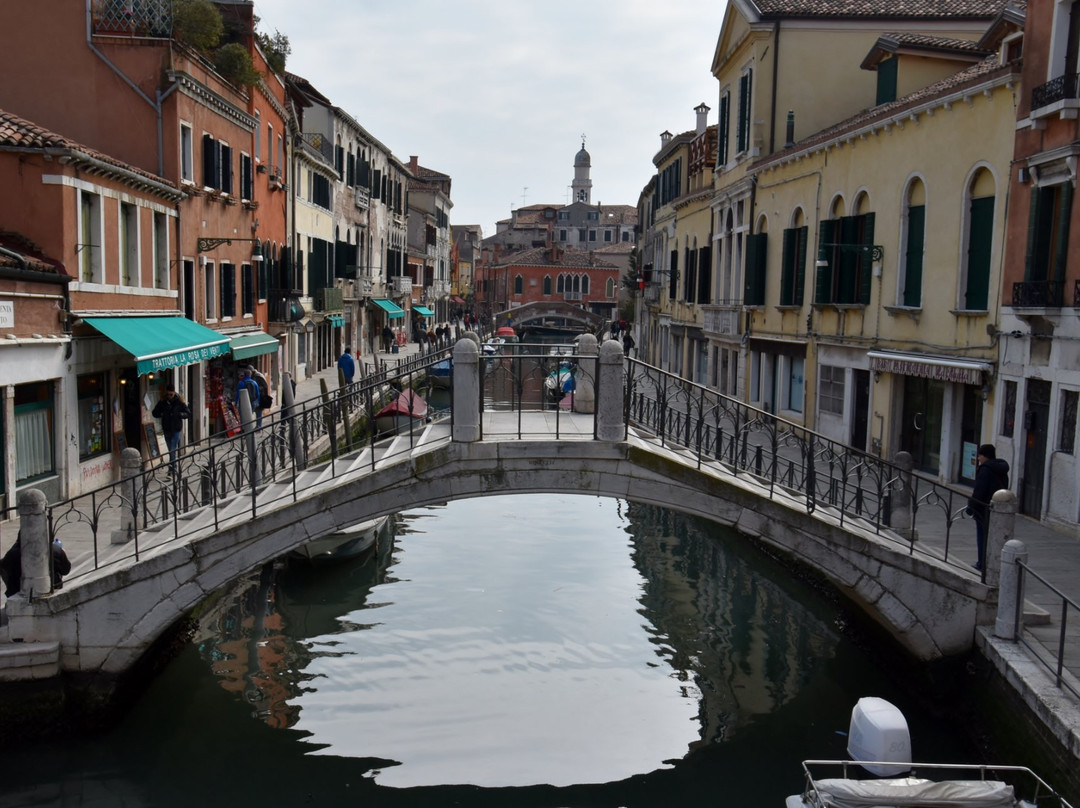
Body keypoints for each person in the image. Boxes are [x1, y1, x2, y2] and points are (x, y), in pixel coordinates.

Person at [966, 443, 1010, 571]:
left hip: (983, 509)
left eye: (980, 455)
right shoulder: (1001, 469)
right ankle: (993, 563)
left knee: (982, 537)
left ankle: (982, 563)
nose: (978, 458)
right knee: (993, 537)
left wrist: (971, 507)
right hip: (997, 509)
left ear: (985, 456)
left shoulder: (985, 469)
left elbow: (979, 491)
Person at [1, 533, 70, 596]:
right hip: (50, 587)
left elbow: (4, 567)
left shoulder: (12, 553)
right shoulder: (55, 550)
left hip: (18, 590)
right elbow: (65, 570)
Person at [151, 384, 191, 474]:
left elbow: (188, 413)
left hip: (176, 429)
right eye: (168, 394)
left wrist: (180, 415)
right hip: (167, 428)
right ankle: (173, 467)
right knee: (170, 450)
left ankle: (172, 469)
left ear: (174, 393)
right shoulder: (163, 402)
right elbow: (154, 413)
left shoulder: (180, 401)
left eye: (171, 395)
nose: (169, 396)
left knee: (173, 449)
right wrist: (162, 414)